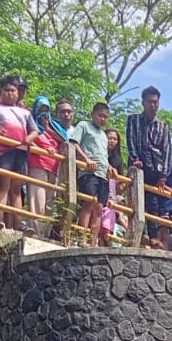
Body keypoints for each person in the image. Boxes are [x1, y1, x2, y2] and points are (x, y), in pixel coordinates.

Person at [0, 73, 35, 227]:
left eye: (13, 90)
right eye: (6, 90)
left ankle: (18, 225)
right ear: (0, 92)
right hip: (3, 151)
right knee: (3, 186)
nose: (10, 93)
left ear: (18, 93)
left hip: (21, 151)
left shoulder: (25, 112)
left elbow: (34, 130)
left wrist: (28, 140)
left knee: (17, 190)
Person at [125, 85, 171, 239]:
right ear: (143, 102)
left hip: (154, 170)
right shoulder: (134, 120)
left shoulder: (163, 126)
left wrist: (164, 175)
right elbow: (130, 140)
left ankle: (153, 237)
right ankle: (137, 234)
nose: (153, 105)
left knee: (153, 204)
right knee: (134, 200)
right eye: (150, 102)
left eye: (156, 102)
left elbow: (167, 151)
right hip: (137, 167)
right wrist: (134, 159)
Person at [68, 100, 111, 246]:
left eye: (105, 117)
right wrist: (86, 160)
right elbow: (73, 143)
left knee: (99, 208)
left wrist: (110, 167)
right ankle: (82, 238)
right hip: (88, 172)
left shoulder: (104, 135)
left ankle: (93, 241)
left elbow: (103, 154)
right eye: (100, 116)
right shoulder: (84, 125)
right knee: (88, 203)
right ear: (92, 114)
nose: (103, 119)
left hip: (102, 174)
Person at [25, 94, 62, 223]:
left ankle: (45, 232)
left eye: (46, 110)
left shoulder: (54, 126)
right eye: (41, 110)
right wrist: (43, 150)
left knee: (50, 203)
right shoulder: (30, 123)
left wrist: (47, 128)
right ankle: (35, 230)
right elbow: (27, 139)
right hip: (37, 164)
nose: (44, 113)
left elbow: (65, 140)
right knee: (37, 198)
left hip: (53, 168)